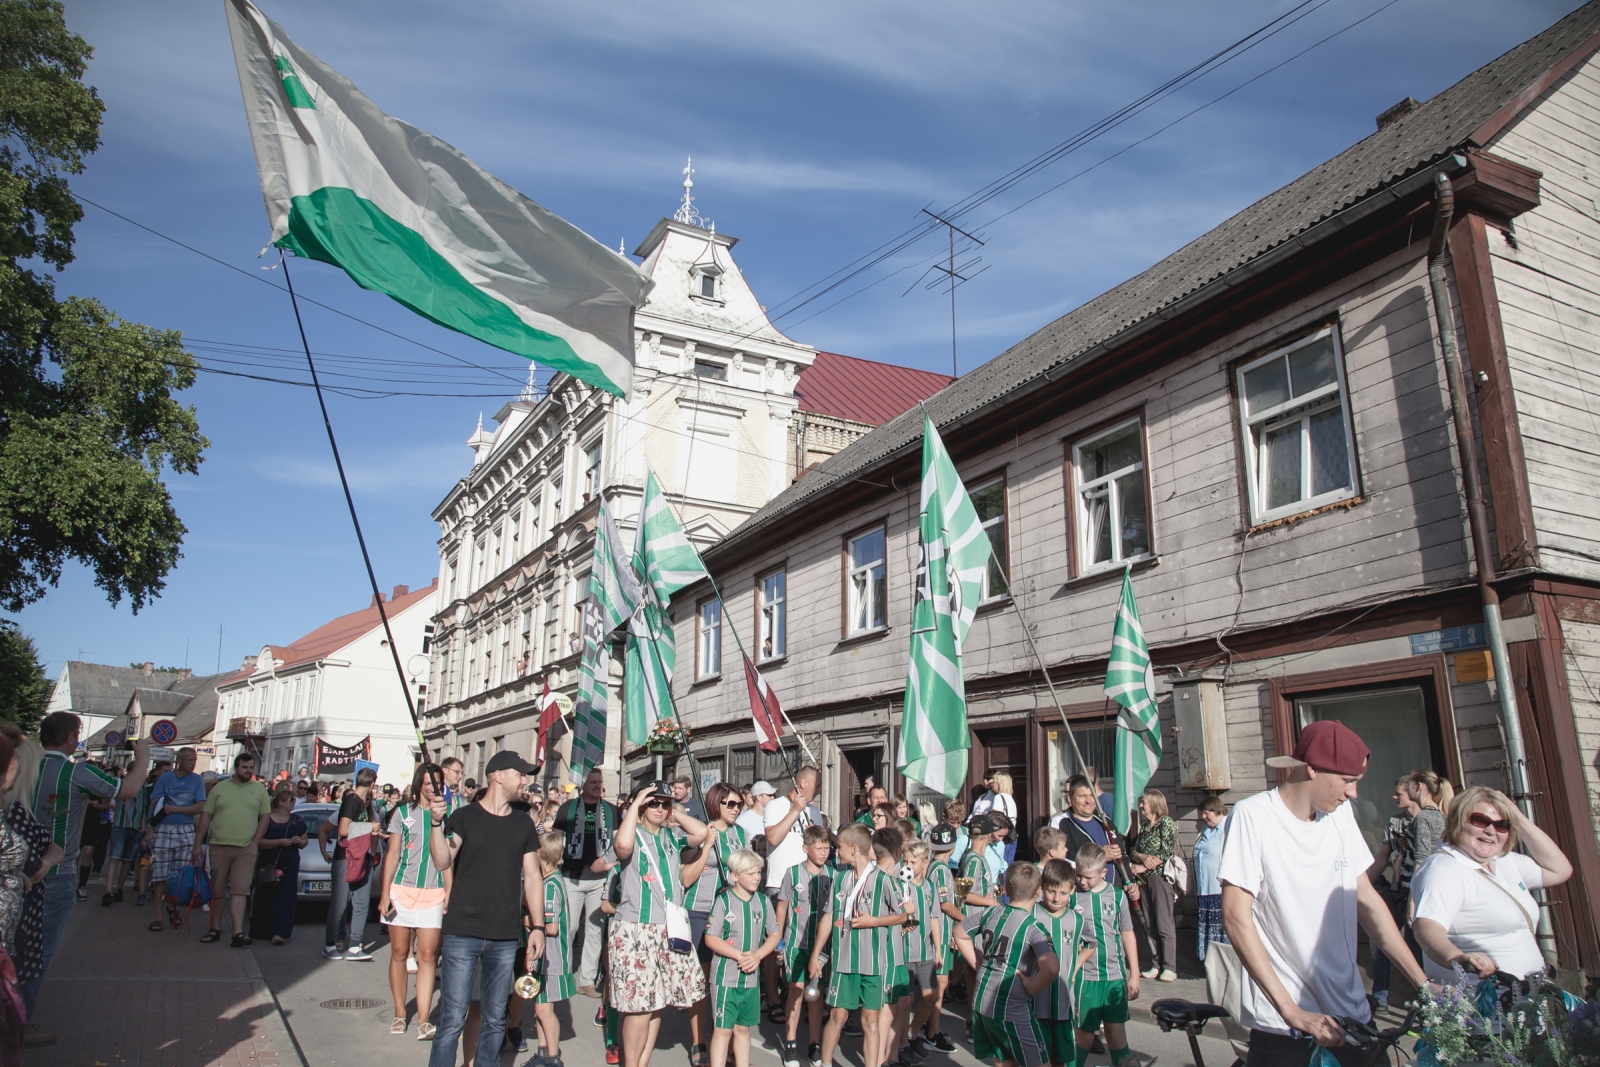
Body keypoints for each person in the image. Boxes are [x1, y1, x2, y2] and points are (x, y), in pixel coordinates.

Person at [1218, 719, 1428, 1067]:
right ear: (1312, 768)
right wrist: (1292, 1011)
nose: (1353, 793)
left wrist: (1422, 983)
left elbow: (1367, 900)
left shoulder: (1340, 815)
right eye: (1347, 781)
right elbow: (1236, 917)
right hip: (1288, 1030)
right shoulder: (1253, 816)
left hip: (1353, 1016)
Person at [425, 750, 546, 1067]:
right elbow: (442, 860)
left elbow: (533, 877)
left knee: (495, 1019)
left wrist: (538, 926)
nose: (524, 780)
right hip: (462, 932)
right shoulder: (464, 818)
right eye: (519, 774)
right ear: (498, 775)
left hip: (504, 937)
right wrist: (436, 823)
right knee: (452, 1019)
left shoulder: (523, 824)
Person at [30, 713, 147, 1013]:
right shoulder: (75, 772)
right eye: (79, 733)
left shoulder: (27, 766)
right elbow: (128, 791)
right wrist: (143, 758)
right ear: (71, 738)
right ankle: (19, 1024)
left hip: (20, 868)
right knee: (40, 951)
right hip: (56, 872)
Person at [1410, 785, 1572, 988]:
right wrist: (1458, 958)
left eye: (1502, 824)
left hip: (1525, 1000)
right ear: (1458, 821)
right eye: (1480, 820)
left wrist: (1518, 819)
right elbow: (1427, 928)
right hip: (1482, 1006)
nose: (1490, 830)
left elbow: (1560, 870)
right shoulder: (1444, 869)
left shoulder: (1503, 861)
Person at [609, 782, 708, 1067]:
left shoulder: (672, 835)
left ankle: (642, 1063)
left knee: (656, 1005)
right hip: (636, 928)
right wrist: (637, 802)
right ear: (641, 805)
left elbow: (700, 833)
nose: (659, 809)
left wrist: (675, 810)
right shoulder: (631, 832)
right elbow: (623, 846)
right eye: (654, 803)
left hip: (668, 928)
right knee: (638, 1007)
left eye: (664, 803)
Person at [809, 822, 904, 1067]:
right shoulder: (840, 879)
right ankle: (826, 1063)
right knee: (838, 1016)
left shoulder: (883, 879)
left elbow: (904, 915)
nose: (834, 851)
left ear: (853, 849)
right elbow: (829, 916)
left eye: (837, 847)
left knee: (871, 1022)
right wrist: (816, 954)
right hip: (844, 961)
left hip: (873, 963)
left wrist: (875, 920)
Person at [953, 861, 1059, 1067]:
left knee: (1004, 1061)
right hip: (1011, 1007)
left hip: (981, 1001)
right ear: (1039, 891)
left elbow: (959, 932)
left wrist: (980, 964)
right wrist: (1032, 985)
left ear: (1006, 890)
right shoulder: (1033, 928)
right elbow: (1052, 967)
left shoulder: (991, 913)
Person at [378, 762, 450, 1038]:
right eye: (429, 784)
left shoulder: (446, 813)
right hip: (402, 890)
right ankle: (399, 1013)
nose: (433, 789)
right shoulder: (402, 812)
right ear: (419, 784)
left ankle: (423, 1019)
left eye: (437, 784)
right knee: (398, 953)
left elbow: (450, 860)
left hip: (433, 892)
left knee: (428, 955)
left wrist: (450, 892)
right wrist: (385, 893)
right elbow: (393, 855)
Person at [682, 782, 749, 1066]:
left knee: (727, 981)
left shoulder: (741, 833)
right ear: (715, 804)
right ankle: (698, 1042)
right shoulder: (701, 830)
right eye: (730, 804)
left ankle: (728, 1042)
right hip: (699, 910)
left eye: (739, 805)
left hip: (729, 914)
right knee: (702, 980)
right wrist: (707, 843)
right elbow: (685, 877)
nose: (735, 809)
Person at [703, 848, 780, 1067]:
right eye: (751, 873)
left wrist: (758, 955)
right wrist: (739, 955)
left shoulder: (764, 902)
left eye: (759, 873)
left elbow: (774, 934)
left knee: (743, 1029)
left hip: (751, 979)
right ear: (734, 876)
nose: (757, 877)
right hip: (726, 979)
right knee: (723, 1030)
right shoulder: (723, 901)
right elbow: (711, 937)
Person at [550, 767, 619, 999]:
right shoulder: (567, 808)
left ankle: (587, 980)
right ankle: (565, 974)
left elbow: (619, 842)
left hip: (600, 881)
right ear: (584, 784)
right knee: (568, 929)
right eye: (593, 782)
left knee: (594, 931)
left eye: (600, 782)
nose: (597, 786)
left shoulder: (612, 811)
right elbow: (555, 839)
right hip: (572, 877)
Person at [1070, 843, 1139, 1067]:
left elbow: (1127, 933)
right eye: (1079, 875)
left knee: (1116, 1033)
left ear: (1104, 873)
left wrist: (1135, 974)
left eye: (1088, 877)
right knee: (1085, 1035)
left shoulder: (1117, 896)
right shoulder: (1072, 897)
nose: (1082, 881)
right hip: (1085, 977)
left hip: (1114, 976)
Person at [193, 753, 272, 947]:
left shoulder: (259, 790)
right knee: (217, 890)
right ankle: (214, 928)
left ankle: (238, 933)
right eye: (245, 767)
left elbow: (265, 817)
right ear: (236, 768)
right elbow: (206, 815)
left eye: (251, 767)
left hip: (245, 848)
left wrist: (255, 842)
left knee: (240, 890)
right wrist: (197, 844)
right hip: (219, 846)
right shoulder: (220, 788)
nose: (248, 771)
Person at [776, 824, 833, 1067]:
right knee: (797, 991)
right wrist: (778, 941)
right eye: (818, 848)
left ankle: (814, 1044)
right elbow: (782, 906)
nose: (823, 852)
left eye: (827, 847)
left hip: (821, 947)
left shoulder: (834, 874)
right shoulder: (792, 873)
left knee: (816, 994)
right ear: (805, 848)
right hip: (796, 944)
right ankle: (790, 1044)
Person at [1364, 779, 1418, 1008]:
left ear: (1414, 793)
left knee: (1416, 947)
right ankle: (1380, 996)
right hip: (1396, 890)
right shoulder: (1394, 822)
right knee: (1380, 940)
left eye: (1399, 793)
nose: (1394, 798)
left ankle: (1424, 1001)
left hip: (1417, 893)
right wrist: (1362, 884)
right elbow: (1382, 857)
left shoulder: (1429, 821)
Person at [147, 746, 206, 933]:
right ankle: (157, 915)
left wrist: (176, 809)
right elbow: (154, 804)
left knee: (180, 874)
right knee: (160, 873)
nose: (193, 763)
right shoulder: (166, 779)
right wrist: (149, 829)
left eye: (195, 760)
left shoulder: (197, 780)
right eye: (190, 760)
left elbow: (199, 807)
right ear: (179, 761)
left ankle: (173, 907)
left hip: (185, 828)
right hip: (164, 828)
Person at [322, 767, 378, 961]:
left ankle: (355, 945)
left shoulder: (363, 804)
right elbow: (343, 830)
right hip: (345, 857)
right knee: (339, 904)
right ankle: (330, 944)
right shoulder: (351, 800)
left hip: (362, 856)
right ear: (372, 785)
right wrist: (370, 827)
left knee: (362, 903)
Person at [531, 829, 576, 1066]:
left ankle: (552, 1057)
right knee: (539, 1008)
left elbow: (551, 928)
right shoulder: (553, 879)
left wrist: (524, 920)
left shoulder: (549, 885)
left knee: (544, 1011)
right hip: (546, 958)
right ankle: (542, 1053)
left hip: (552, 957)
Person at [1056, 777, 1137, 901]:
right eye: (1083, 796)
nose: (1088, 800)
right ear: (1070, 798)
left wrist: (1130, 881)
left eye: (1092, 795)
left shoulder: (1105, 821)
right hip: (1082, 896)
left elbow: (1122, 855)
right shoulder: (1061, 823)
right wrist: (1099, 856)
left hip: (1113, 894)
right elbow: (1061, 858)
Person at [1032, 859, 1080, 1067]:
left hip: (1063, 999)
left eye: (1063, 893)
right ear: (1042, 888)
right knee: (1037, 1057)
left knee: (1061, 1057)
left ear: (1072, 891)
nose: (1056, 898)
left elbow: (1091, 944)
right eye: (1051, 891)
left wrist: (1075, 966)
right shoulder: (1031, 913)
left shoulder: (1077, 920)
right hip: (1035, 999)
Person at [899, 839, 941, 1067]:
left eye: (913, 862)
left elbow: (934, 917)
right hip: (905, 953)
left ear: (925, 863)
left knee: (931, 997)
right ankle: (902, 1044)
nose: (908, 865)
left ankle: (913, 1034)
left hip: (925, 952)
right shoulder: (899, 886)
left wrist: (938, 948)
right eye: (905, 861)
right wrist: (902, 925)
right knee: (906, 1001)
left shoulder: (929, 887)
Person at [1128, 788, 1177, 982]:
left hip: (1159, 878)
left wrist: (1145, 866)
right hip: (1144, 880)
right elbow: (1135, 851)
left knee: (1164, 922)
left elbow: (1166, 852)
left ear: (1155, 804)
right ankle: (1155, 963)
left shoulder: (1165, 823)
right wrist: (1143, 858)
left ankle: (1170, 966)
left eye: (1144, 803)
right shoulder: (1145, 828)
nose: (1140, 806)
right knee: (1149, 922)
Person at [919, 825, 961, 1052]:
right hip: (940, 931)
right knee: (940, 983)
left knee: (939, 983)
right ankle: (931, 1032)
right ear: (952, 847)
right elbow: (945, 904)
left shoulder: (933, 865)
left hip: (937, 930)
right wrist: (964, 919)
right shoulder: (942, 870)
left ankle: (931, 1028)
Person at [255, 784, 307, 946]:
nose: (293, 802)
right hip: (270, 862)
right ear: (280, 802)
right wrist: (279, 842)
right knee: (266, 894)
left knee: (286, 896)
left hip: (290, 862)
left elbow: (304, 840)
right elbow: (259, 842)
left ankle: (280, 932)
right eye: (290, 800)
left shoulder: (297, 819)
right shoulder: (267, 819)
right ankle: (263, 930)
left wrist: (300, 841)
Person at [102, 762, 155, 907]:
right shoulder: (122, 785)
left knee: (127, 859)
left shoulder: (144, 790)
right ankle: (108, 891)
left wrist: (143, 826)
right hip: (120, 825)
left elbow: (144, 809)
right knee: (114, 857)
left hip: (136, 827)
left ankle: (119, 888)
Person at [1191, 796, 1230, 963]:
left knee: (1221, 929)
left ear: (1217, 811)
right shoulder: (1205, 831)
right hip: (1204, 891)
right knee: (1208, 927)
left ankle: (1224, 961)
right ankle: (1210, 962)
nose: (1203, 817)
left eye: (1207, 813)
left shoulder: (1228, 829)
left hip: (1220, 890)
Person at [971, 774, 1019, 864]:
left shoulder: (998, 797)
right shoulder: (1010, 798)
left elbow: (995, 817)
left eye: (994, 783)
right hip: (1012, 835)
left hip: (1002, 835)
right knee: (1009, 863)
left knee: (1000, 861)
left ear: (999, 784)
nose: (992, 785)